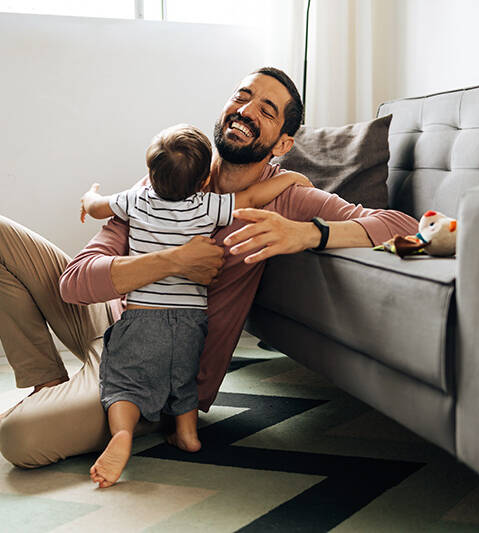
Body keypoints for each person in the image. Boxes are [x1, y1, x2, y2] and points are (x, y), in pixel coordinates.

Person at [0, 67, 419, 470]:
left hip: (159, 373)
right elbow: (75, 282)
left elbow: (404, 226)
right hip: (107, 318)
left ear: (282, 144)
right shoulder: (174, 175)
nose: (247, 109)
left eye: (267, 110)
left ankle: (94, 406)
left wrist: (306, 234)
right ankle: (47, 382)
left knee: (17, 439)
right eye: (241, 96)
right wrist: (173, 261)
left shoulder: (288, 197)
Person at [79, 123, 312, 487]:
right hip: (190, 321)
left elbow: (96, 208)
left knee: (123, 384)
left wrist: (90, 196)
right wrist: (290, 178)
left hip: (142, 317)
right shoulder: (206, 207)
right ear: (205, 179)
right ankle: (188, 434)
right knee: (183, 379)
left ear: (151, 174)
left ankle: (121, 434)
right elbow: (251, 198)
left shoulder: (136, 200)